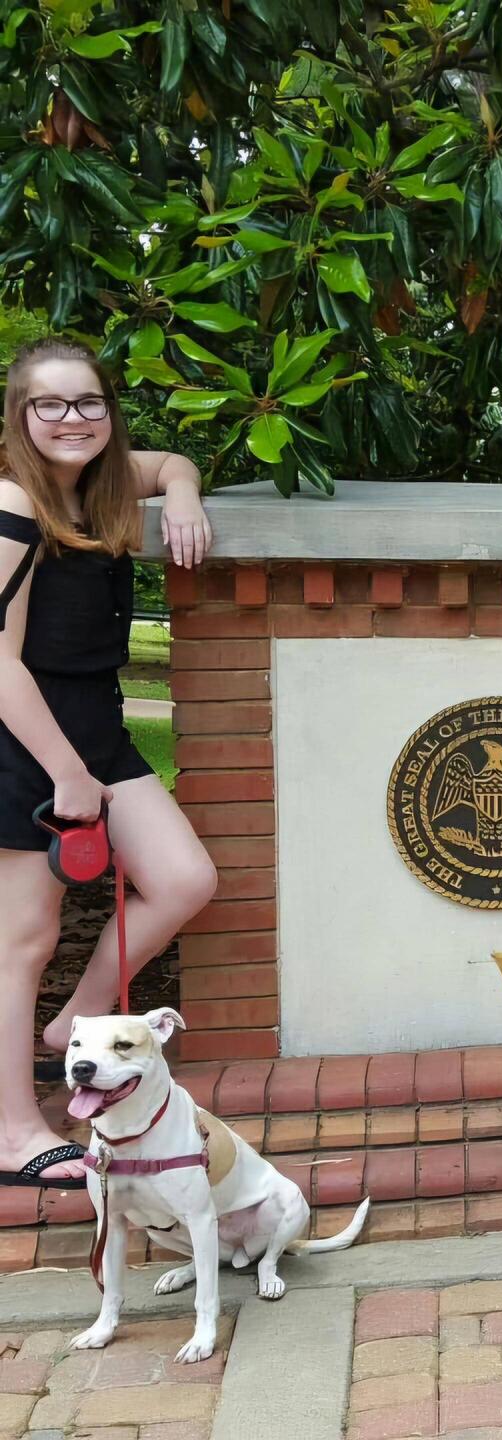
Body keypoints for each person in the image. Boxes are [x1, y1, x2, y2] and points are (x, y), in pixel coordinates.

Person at [0, 336, 217, 1189]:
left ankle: (77, 1025)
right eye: (50, 404)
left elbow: (170, 463)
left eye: (89, 401)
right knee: (24, 939)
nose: (72, 418)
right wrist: (65, 774)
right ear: (19, 415)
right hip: (26, 740)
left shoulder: (99, 483)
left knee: (184, 878)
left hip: (98, 729)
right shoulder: (14, 504)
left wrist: (184, 494)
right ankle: (14, 1131)